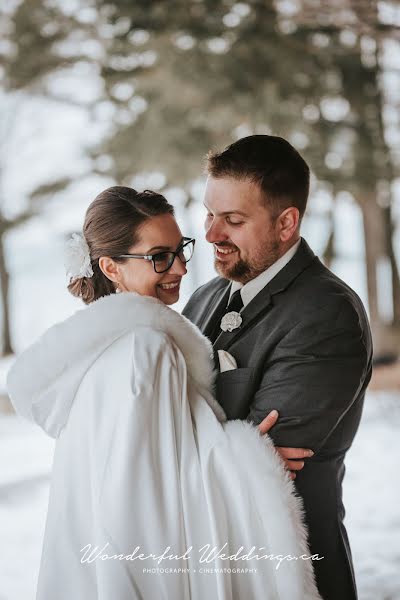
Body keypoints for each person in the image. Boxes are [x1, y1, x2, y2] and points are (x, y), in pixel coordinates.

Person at [7, 186, 321, 600]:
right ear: (111, 267)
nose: (180, 270)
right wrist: (252, 461)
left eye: (180, 250)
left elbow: (152, 473)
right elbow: (151, 502)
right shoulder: (145, 349)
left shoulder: (97, 349)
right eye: (159, 257)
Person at [183, 135, 373, 600]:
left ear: (287, 222)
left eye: (233, 220)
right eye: (209, 214)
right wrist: (236, 444)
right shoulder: (205, 296)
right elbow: (238, 454)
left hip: (287, 569)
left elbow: (259, 471)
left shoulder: (327, 314)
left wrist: (185, 442)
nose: (211, 234)